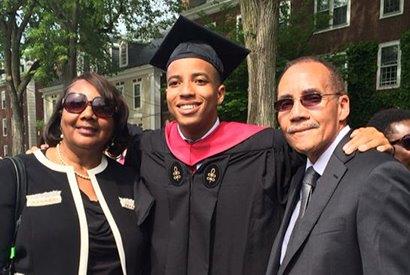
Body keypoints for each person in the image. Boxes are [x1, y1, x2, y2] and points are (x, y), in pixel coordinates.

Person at [126, 16, 391, 275]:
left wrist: (364, 138)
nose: (186, 91)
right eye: (175, 83)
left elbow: (330, 169)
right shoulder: (148, 150)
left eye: (200, 80)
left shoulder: (269, 149)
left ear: (220, 94)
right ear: (167, 94)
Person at [265, 57, 410, 275]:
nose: (296, 113)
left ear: (342, 106)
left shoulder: (378, 175)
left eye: (312, 98)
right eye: (285, 104)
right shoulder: (301, 177)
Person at [0, 72, 150, 274]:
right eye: (75, 103)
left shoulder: (129, 182)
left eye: (101, 107)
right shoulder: (15, 174)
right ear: (61, 112)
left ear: (114, 121)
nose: (88, 114)